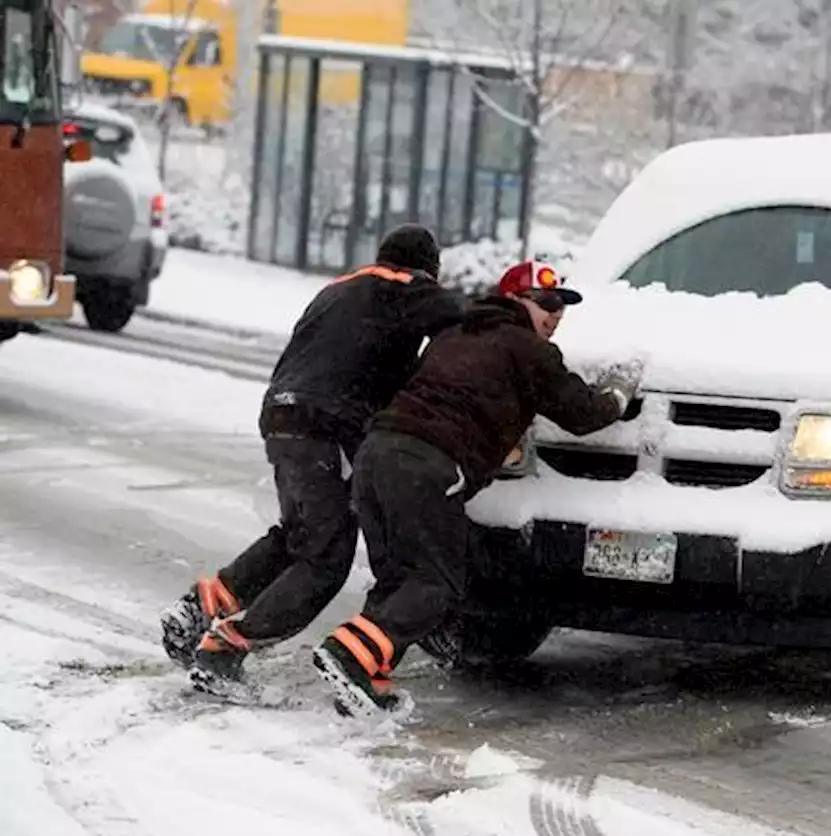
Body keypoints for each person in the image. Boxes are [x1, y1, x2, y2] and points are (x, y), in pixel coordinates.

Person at [310, 260, 643, 716]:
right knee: (437, 583)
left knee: (398, 578)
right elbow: (581, 413)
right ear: (513, 301)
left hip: (377, 455)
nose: (556, 313)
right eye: (545, 302)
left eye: (562, 305)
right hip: (428, 466)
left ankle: (366, 675)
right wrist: (620, 396)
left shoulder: (454, 333)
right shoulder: (528, 349)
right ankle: (349, 654)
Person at [159, 224, 467, 699]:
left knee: (299, 536)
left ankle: (202, 606)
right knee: (325, 557)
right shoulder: (404, 287)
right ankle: (223, 652)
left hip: (283, 411)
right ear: (425, 267)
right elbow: (460, 318)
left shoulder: (337, 289)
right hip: (326, 422)